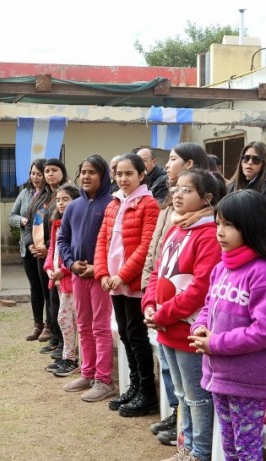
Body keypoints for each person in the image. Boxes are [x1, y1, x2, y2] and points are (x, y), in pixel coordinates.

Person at [189, 189, 266, 461]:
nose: (220, 232)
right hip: (219, 374)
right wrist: (199, 327)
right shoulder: (222, 268)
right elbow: (209, 306)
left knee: (247, 450)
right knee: (230, 447)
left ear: (251, 226)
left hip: (248, 380)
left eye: (229, 225)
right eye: (218, 224)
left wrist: (215, 343)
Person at [143, 168, 225, 461]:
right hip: (165, 326)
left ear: (207, 198)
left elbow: (201, 288)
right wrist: (150, 305)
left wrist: (163, 314)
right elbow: (157, 272)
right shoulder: (177, 228)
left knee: (197, 396)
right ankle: (186, 446)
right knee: (180, 393)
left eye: (186, 190)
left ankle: (200, 451)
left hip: (187, 330)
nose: (177, 194)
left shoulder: (208, 235)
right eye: (176, 188)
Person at [94, 153, 160, 415]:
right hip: (113, 281)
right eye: (119, 174)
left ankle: (147, 392)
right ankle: (134, 386)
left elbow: (146, 246)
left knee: (137, 336)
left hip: (132, 283)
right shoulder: (113, 203)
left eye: (129, 174)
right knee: (124, 334)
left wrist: (123, 274)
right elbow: (101, 241)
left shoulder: (149, 204)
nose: (123, 179)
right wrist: (102, 273)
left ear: (141, 175)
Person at [57, 155, 117, 402]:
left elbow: (115, 242)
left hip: (101, 276)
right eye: (83, 172)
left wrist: (98, 268)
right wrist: (71, 264)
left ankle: (104, 379)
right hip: (78, 275)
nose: (86, 176)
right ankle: (87, 372)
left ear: (102, 176)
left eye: (92, 172)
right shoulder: (73, 206)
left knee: (100, 327)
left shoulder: (112, 204)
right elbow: (63, 239)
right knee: (82, 324)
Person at [30, 158, 70, 350]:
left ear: (62, 171)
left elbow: (62, 228)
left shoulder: (68, 193)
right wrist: (34, 244)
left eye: (54, 170)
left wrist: (47, 247)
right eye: (47, 171)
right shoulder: (44, 195)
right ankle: (54, 336)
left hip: (57, 253)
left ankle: (61, 340)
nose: (49, 174)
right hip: (43, 252)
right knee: (48, 295)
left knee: (59, 298)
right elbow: (36, 222)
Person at [9, 159, 49, 341]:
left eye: (39, 174)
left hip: (44, 248)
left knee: (46, 288)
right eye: (33, 173)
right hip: (27, 246)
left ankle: (50, 326)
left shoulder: (50, 194)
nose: (35, 177)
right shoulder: (25, 193)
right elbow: (12, 215)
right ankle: (37, 325)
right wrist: (21, 221)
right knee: (35, 288)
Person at [43, 183, 82, 377]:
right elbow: (53, 249)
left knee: (67, 319)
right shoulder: (57, 222)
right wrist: (49, 267)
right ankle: (68, 356)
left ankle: (71, 358)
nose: (61, 203)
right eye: (58, 200)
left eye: (65, 199)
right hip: (58, 279)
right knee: (66, 319)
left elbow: (76, 254)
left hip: (70, 280)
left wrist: (63, 271)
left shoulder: (78, 223)